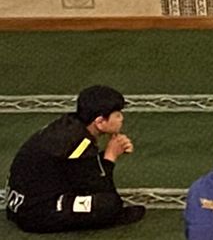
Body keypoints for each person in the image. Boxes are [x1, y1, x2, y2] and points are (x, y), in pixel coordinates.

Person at [5, 85, 144, 232]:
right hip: (35, 213)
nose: (121, 119)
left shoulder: (69, 125)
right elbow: (100, 187)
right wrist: (110, 156)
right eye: (117, 115)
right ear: (100, 122)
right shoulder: (79, 143)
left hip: (21, 202)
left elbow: (82, 167)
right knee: (109, 204)